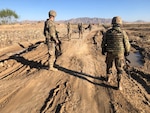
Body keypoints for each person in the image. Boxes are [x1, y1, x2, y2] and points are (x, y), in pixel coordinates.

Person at [101, 16, 130, 90]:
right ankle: (119, 85)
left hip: (110, 52)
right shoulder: (123, 33)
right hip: (119, 54)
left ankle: (108, 78)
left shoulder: (108, 32)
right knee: (119, 69)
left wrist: (103, 50)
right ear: (120, 23)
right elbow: (126, 44)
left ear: (112, 23)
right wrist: (127, 51)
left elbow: (103, 42)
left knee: (109, 66)